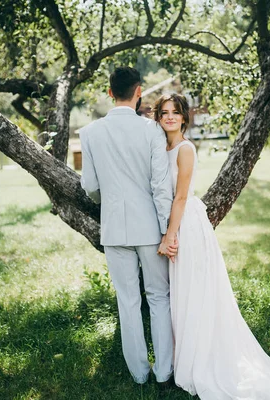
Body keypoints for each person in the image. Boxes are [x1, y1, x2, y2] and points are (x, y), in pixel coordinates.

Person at [154, 93, 270, 399]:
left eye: (175, 112)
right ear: (158, 117)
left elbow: (180, 197)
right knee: (183, 294)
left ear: (184, 117)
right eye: (164, 112)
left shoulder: (184, 150)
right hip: (176, 220)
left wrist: (170, 236)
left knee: (195, 292)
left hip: (186, 225)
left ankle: (205, 360)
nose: (170, 117)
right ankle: (186, 357)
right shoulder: (162, 148)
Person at [79, 67, 177, 386]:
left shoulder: (90, 133)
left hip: (114, 229)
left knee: (128, 301)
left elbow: (90, 186)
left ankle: (138, 373)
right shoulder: (152, 131)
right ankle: (164, 371)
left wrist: (107, 197)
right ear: (138, 92)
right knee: (159, 297)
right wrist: (167, 231)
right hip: (150, 227)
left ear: (110, 92)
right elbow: (161, 187)